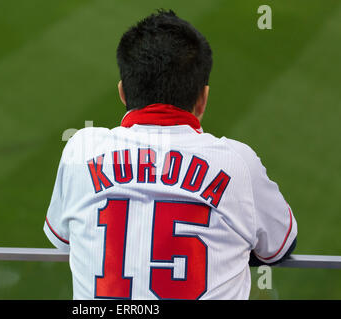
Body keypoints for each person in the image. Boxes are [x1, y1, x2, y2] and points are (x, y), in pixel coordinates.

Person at [43, 10, 297, 300]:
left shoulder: (81, 149)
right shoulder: (238, 162)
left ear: (123, 92)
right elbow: (279, 246)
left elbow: (66, 242)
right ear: (203, 98)